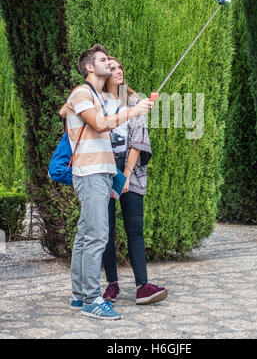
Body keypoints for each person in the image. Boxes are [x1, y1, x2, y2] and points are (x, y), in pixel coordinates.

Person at [59, 45, 153, 320]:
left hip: (100, 173)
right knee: (98, 235)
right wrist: (133, 112)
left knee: (84, 235)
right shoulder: (82, 93)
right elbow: (99, 124)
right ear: (90, 67)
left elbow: (71, 115)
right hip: (89, 174)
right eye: (103, 61)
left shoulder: (93, 97)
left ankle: (78, 296)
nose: (109, 65)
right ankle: (91, 299)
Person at [101, 57, 168, 305]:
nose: (118, 71)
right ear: (102, 74)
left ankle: (142, 286)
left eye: (120, 67)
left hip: (131, 169)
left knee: (135, 228)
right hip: (104, 167)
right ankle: (112, 285)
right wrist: (111, 173)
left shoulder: (133, 101)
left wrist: (125, 175)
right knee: (105, 230)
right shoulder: (96, 102)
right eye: (112, 68)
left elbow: (139, 139)